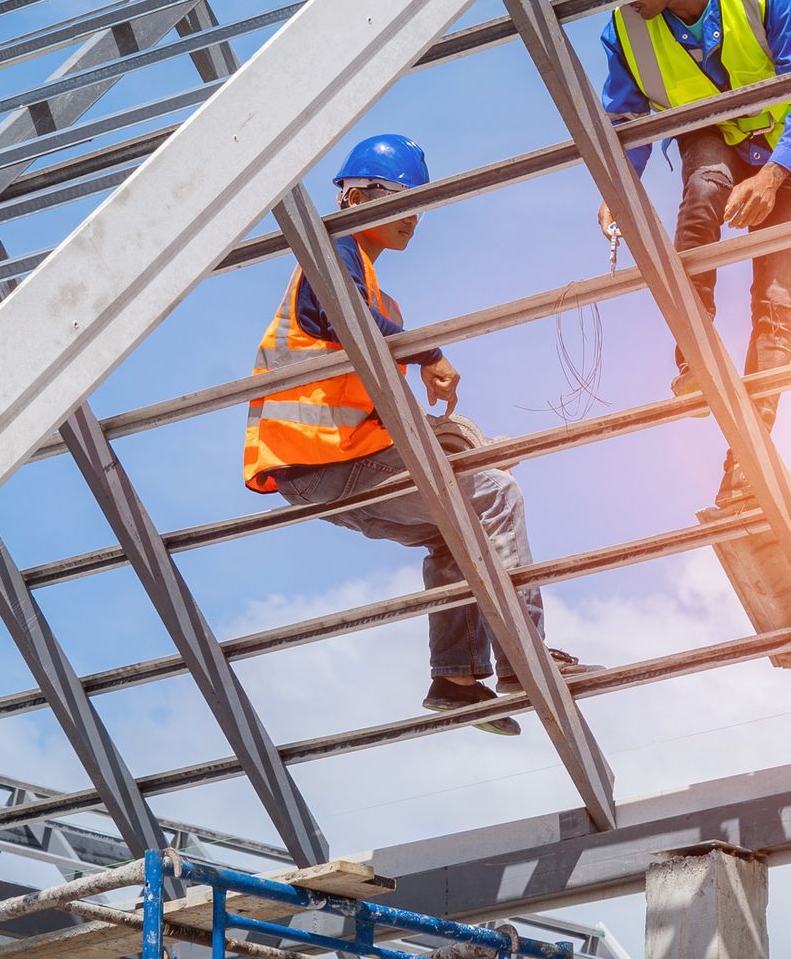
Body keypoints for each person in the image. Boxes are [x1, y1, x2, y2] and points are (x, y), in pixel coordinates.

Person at [242, 133, 597, 736]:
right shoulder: (330, 249)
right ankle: (524, 658)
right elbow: (342, 312)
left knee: (456, 523)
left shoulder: (384, 299)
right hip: (323, 461)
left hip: (336, 463)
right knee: (492, 494)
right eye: (399, 200)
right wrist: (426, 352)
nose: (411, 218)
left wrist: (444, 430)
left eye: (417, 207)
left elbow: (362, 367)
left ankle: (457, 679)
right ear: (355, 197)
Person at [579, 0, 791, 503]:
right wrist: (619, 191)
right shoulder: (627, 31)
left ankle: (747, 466)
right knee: (705, 189)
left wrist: (775, 174)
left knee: (777, 303)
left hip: (787, 156)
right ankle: (694, 365)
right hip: (710, 140)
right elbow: (627, 119)